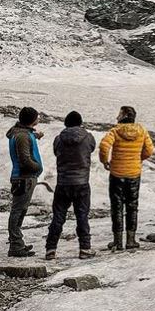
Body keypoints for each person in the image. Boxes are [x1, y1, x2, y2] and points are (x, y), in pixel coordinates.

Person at [99, 106, 154, 251]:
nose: (117, 116)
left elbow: (104, 146)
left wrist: (105, 161)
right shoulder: (141, 130)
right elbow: (149, 150)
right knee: (132, 207)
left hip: (117, 173)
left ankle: (117, 242)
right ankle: (131, 240)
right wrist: (138, 159)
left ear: (123, 116)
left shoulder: (115, 131)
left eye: (119, 114)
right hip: (134, 174)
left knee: (116, 207)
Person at [45, 111, 97, 261]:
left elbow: (56, 152)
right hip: (82, 183)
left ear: (65, 123)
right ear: (80, 122)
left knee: (58, 217)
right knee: (82, 216)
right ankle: (85, 248)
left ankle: (51, 249)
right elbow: (91, 148)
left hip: (63, 183)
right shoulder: (88, 137)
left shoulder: (59, 139)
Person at [7, 107, 44, 257]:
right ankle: (15, 245)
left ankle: (17, 242)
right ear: (31, 120)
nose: (39, 118)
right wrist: (38, 166)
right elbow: (25, 160)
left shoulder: (22, 133)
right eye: (37, 116)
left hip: (23, 177)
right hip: (24, 177)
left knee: (20, 210)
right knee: (18, 211)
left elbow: (25, 137)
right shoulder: (23, 136)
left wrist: (35, 136)